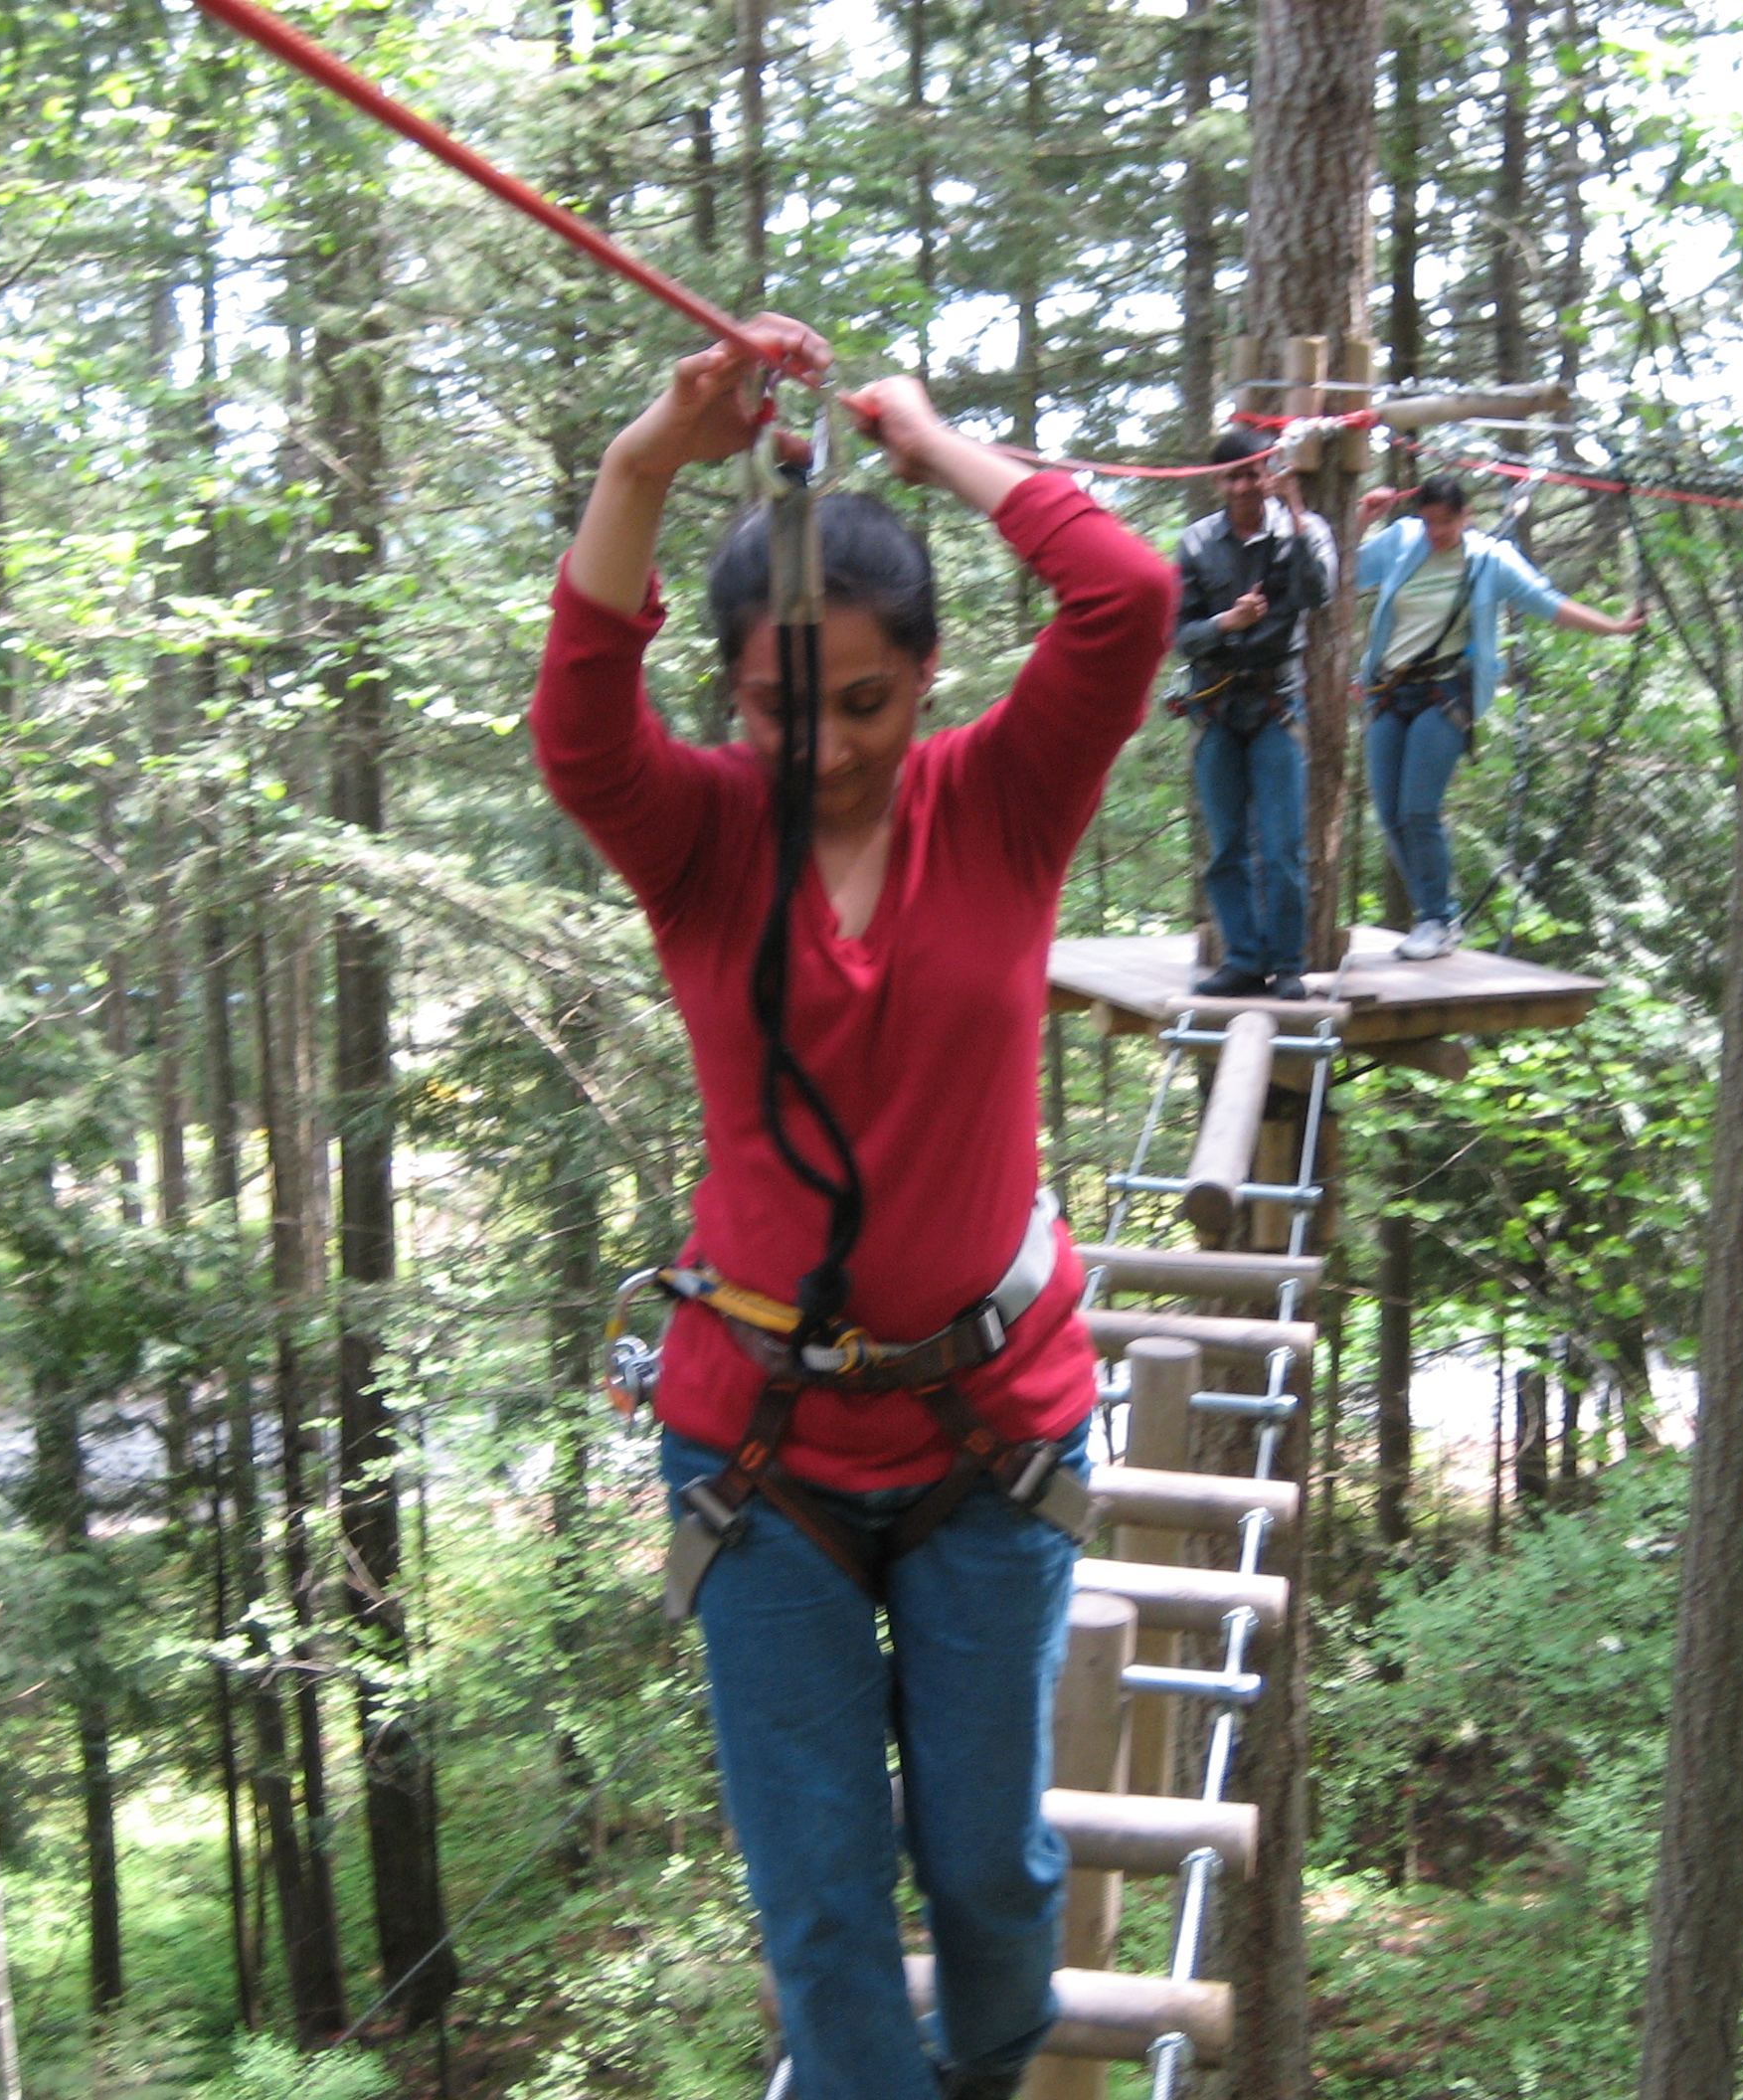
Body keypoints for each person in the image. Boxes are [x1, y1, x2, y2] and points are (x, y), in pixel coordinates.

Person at [533, 314, 1177, 2100]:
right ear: (733, 696)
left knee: (991, 1876)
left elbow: (1127, 596)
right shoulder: (697, 836)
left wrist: (932, 440)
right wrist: (648, 455)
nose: (821, 745)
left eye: (867, 703)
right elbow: (577, 725)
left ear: (930, 677)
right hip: (762, 1450)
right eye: (777, 707)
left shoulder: (1006, 800)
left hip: (990, 1430)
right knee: (821, 1908)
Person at [1353, 473, 1645, 959]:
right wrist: (1362, 520)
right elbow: (1343, 572)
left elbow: (1547, 602)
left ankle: (1437, 919)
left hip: (1445, 693)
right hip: (1387, 690)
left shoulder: (1491, 560)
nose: (1435, 533)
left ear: (1466, 516)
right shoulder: (1403, 540)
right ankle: (1431, 913)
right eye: (1428, 522)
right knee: (1389, 812)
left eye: (1445, 523)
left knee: (1418, 809)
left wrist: (1613, 627)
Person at [1170, 429, 1337, 1001]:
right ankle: (1243, 960)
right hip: (1215, 708)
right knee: (1227, 848)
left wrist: (1296, 512)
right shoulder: (1197, 542)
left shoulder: (1304, 531)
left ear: (1269, 475)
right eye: (1233, 476)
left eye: (1253, 474)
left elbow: (1319, 594)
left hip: (1275, 706)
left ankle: (1288, 964)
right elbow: (1179, 633)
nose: (1244, 486)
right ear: (1219, 483)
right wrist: (1227, 623)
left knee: (1284, 848)